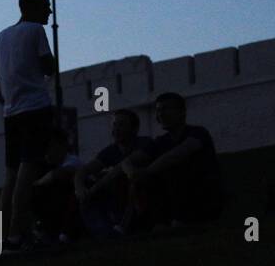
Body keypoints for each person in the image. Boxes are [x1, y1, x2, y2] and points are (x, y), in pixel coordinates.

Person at [0, 0, 57, 251]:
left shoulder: (0, 37)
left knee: (11, 175)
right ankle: (17, 234)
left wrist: (5, 101)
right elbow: (49, 67)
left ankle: (6, 235)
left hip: (11, 114)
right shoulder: (35, 31)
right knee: (28, 171)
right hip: (36, 110)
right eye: (46, 5)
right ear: (32, 7)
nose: (50, 10)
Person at [121, 93, 222, 230]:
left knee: (176, 170)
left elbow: (177, 154)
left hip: (203, 195)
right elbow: (127, 162)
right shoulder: (160, 141)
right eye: (158, 110)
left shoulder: (198, 133)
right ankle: (153, 222)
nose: (161, 114)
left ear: (182, 112)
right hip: (174, 197)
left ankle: (179, 220)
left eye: (166, 109)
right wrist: (132, 174)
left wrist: (146, 172)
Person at [71, 108, 150, 238]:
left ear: (134, 129)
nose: (116, 129)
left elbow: (120, 169)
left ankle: (124, 226)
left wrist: (92, 190)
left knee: (128, 180)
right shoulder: (111, 150)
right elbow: (83, 171)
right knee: (84, 187)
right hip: (118, 194)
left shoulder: (144, 143)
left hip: (143, 191)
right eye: (114, 125)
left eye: (121, 125)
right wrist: (79, 188)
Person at [29, 128, 83, 242]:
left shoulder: (72, 161)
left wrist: (37, 183)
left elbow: (59, 174)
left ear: (62, 146)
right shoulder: (48, 166)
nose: (47, 152)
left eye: (50, 147)